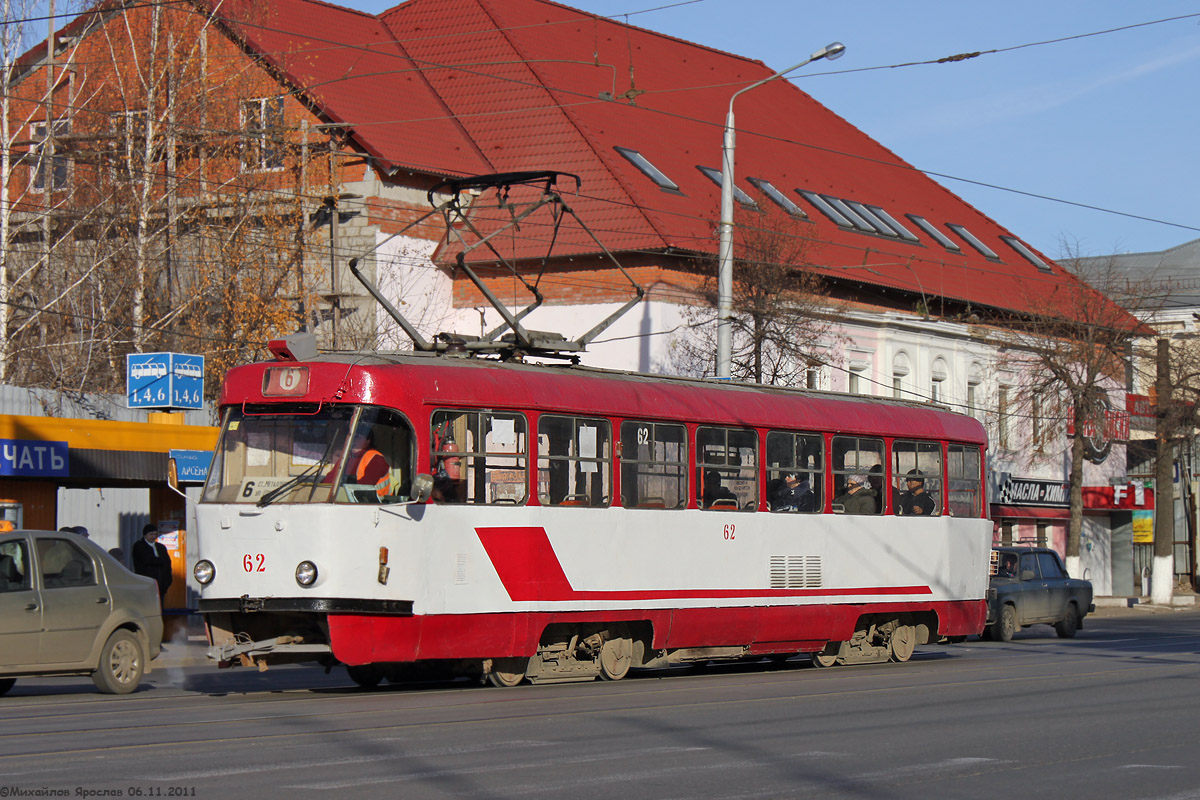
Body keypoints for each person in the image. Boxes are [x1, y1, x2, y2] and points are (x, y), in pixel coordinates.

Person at [132, 523, 173, 602]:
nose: (153, 536)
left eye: (155, 534)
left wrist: (168, 581)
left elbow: (167, 563)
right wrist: (160, 561)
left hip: (161, 586)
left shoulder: (161, 547)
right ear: (145, 535)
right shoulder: (139, 546)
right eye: (151, 534)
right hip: (146, 585)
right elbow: (147, 560)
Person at [348, 430, 391, 501]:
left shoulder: (376, 458)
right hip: (350, 501)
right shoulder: (346, 458)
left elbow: (365, 487)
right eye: (352, 436)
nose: (353, 440)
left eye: (358, 437)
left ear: (368, 440)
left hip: (377, 503)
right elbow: (330, 480)